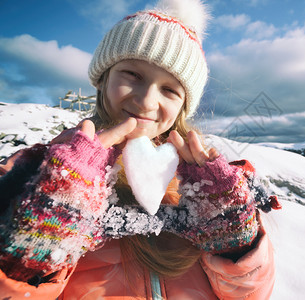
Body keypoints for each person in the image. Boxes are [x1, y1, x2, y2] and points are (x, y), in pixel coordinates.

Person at [0, 0, 281, 298]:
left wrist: (233, 237)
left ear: (183, 107)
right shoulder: (32, 172)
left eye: (170, 89)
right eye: (132, 75)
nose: (147, 101)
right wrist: (45, 228)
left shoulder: (213, 182)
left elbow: (250, 294)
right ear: (103, 78)